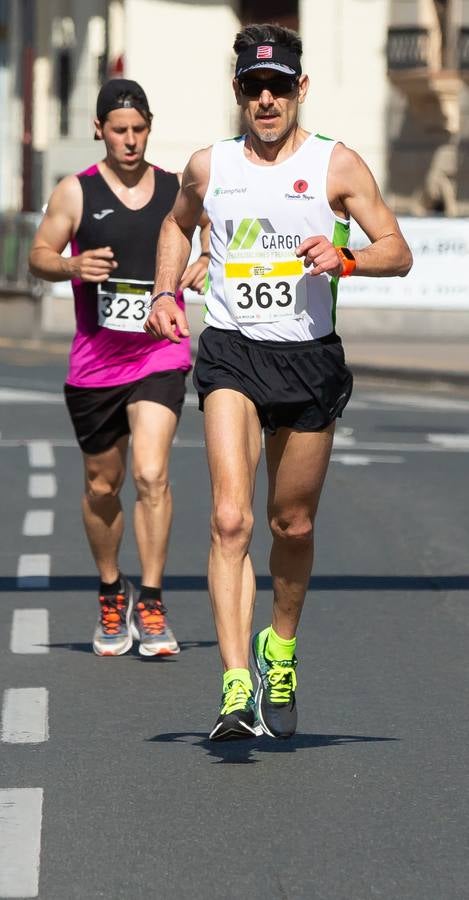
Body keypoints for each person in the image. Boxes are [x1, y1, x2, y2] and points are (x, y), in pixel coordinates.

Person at [145, 23, 413, 739]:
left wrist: (347, 258)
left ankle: (279, 649)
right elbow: (178, 224)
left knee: (290, 524)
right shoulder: (210, 165)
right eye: (251, 87)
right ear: (236, 93)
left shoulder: (337, 165)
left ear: (300, 89)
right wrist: (166, 292)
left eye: (278, 86)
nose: (265, 99)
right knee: (229, 519)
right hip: (233, 351)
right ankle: (236, 685)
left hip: (308, 359)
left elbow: (398, 250)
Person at [29, 78, 210, 658]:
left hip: (160, 352)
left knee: (152, 474)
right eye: (118, 130)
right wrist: (72, 265)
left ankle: (152, 601)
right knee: (102, 485)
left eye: (138, 129)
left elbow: (215, 237)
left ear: (149, 128)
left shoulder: (175, 189)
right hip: (96, 362)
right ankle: (112, 590)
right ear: (99, 130)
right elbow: (39, 256)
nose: (129, 140)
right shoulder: (75, 192)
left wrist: (208, 260)